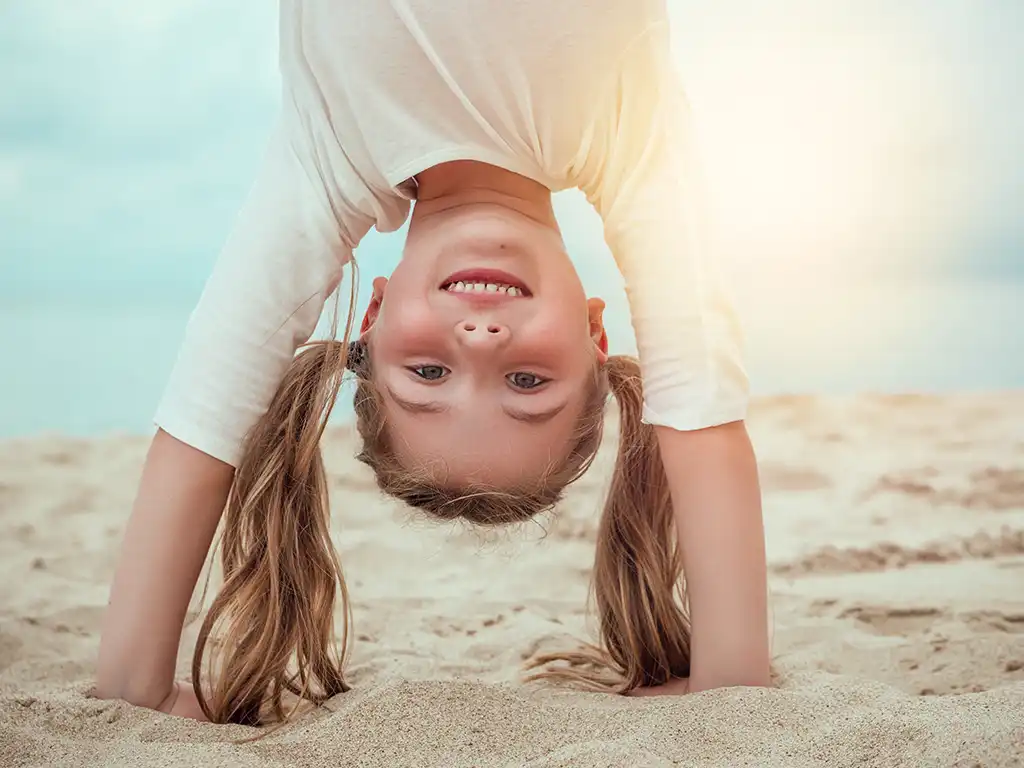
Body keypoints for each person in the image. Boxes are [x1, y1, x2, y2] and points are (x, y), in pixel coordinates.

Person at [95, 0, 772, 725]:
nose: (479, 343)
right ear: (594, 337)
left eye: (426, 376)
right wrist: (725, 682)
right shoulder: (630, 143)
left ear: (374, 319)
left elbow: (207, 412)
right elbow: (699, 406)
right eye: (527, 384)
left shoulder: (330, 157)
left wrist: (144, 686)